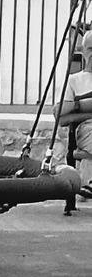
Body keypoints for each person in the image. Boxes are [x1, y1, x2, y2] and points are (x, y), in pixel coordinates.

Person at [55, 29, 92, 200]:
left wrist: (78, 108)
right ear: (83, 51)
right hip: (85, 131)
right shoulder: (74, 80)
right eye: (91, 49)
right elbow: (60, 115)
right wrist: (82, 106)